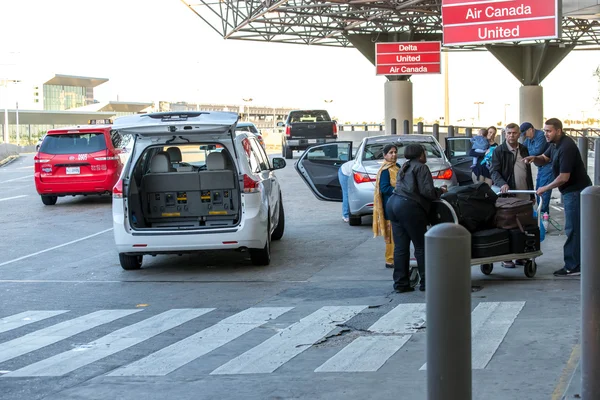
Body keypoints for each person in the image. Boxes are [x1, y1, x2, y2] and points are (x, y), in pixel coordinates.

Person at [523, 118, 592, 277]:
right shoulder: (554, 144)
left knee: (573, 228)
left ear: (558, 131)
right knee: (576, 228)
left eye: (549, 131)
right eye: (545, 130)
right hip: (570, 191)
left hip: (575, 191)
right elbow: (545, 158)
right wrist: (534, 158)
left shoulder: (566, 147)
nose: (545, 134)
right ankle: (579, 262)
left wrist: (545, 188)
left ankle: (573, 266)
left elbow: (564, 177)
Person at [386, 144, 447, 293]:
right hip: (408, 207)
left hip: (393, 204)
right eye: (424, 152)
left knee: (401, 247)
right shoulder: (421, 167)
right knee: (421, 246)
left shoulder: (405, 166)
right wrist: (441, 190)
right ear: (420, 154)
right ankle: (427, 283)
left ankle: (401, 284)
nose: (425, 155)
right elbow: (427, 192)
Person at [490, 122, 534, 269]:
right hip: (509, 194)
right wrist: (502, 183)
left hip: (524, 192)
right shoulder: (499, 151)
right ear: (505, 134)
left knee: (523, 225)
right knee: (508, 224)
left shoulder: (524, 149)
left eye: (514, 133)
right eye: (508, 133)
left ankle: (520, 255)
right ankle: (507, 257)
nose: (511, 136)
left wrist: (532, 193)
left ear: (519, 134)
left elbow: (528, 174)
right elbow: (494, 171)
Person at [373, 144, 400, 269]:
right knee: (391, 236)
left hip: (399, 205)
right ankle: (390, 259)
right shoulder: (385, 170)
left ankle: (398, 258)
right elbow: (384, 188)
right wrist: (399, 190)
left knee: (398, 235)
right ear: (385, 155)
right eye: (390, 152)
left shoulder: (397, 167)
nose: (393, 155)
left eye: (395, 152)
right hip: (390, 206)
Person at [520, 122, 553, 216]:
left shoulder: (541, 136)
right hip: (541, 166)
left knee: (543, 193)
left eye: (525, 133)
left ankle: (544, 218)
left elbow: (537, 151)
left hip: (548, 166)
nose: (525, 136)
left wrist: (526, 154)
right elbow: (523, 148)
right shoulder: (529, 139)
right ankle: (542, 217)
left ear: (531, 129)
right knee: (538, 190)